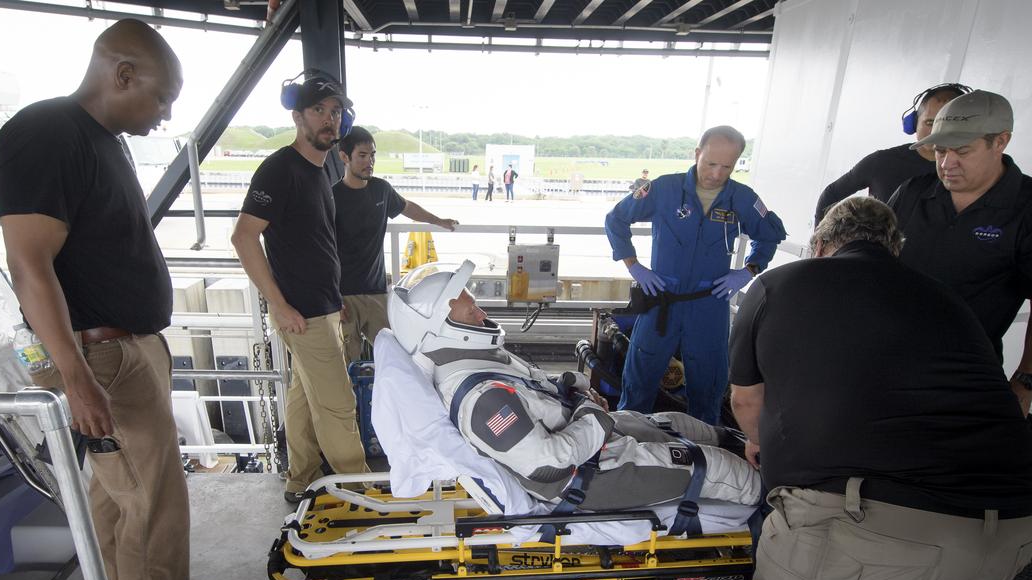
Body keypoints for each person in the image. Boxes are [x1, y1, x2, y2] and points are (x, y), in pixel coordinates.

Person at [721, 197, 1032, 580]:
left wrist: (760, 445)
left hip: (867, 528)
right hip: (1009, 535)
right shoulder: (943, 298)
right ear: (895, 250)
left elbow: (747, 399)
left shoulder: (778, 286)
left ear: (820, 246)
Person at [0, 19, 234, 580]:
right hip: (99, 355)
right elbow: (28, 263)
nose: (165, 115)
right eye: (162, 99)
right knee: (154, 507)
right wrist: (74, 375)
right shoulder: (47, 134)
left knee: (118, 498)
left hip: (121, 347)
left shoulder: (99, 140)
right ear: (122, 73)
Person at [386, 261, 762, 518]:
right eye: (472, 312)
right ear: (441, 328)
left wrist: (575, 386)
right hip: (589, 475)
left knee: (677, 422)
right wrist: (593, 412)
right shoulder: (481, 399)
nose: (483, 315)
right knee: (717, 468)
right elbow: (547, 464)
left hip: (591, 438)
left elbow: (538, 387)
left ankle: (752, 447)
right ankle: (780, 503)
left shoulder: (477, 361)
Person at [230, 75, 370, 504]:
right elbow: (243, 237)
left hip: (322, 305)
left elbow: (318, 242)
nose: (330, 119)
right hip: (301, 312)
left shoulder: (321, 167)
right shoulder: (280, 169)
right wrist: (279, 305)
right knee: (338, 405)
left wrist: (336, 298)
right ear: (298, 116)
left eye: (334, 111)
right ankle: (358, 489)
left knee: (304, 398)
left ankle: (300, 477)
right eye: (319, 111)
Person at [605, 125, 786, 425]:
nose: (716, 173)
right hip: (660, 298)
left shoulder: (742, 199)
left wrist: (749, 270)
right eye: (710, 163)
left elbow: (770, 235)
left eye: (726, 166)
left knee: (708, 387)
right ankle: (629, 444)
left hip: (709, 303)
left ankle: (705, 455)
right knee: (639, 379)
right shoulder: (664, 189)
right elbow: (616, 219)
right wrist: (633, 265)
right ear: (697, 154)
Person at [888, 89, 1032, 413]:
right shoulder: (912, 193)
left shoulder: (1025, 209)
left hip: (962, 382)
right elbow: (867, 263)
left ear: (1001, 141)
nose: (947, 163)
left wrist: (1025, 380)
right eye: (939, 151)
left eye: (962, 151)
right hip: (883, 363)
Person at [334, 126, 459, 365]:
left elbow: (407, 207)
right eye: (362, 155)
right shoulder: (333, 198)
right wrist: (332, 298)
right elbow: (323, 252)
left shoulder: (381, 189)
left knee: (397, 356)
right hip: (343, 296)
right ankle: (353, 404)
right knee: (347, 364)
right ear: (344, 157)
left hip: (377, 292)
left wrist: (439, 221)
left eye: (372, 155)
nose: (369, 161)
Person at [814, 83, 968, 224]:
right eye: (929, 122)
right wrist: (821, 245)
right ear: (914, 123)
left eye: (947, 123)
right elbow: (831, 194)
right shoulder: (882, 162)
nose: (937, 130)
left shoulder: (973, 170)